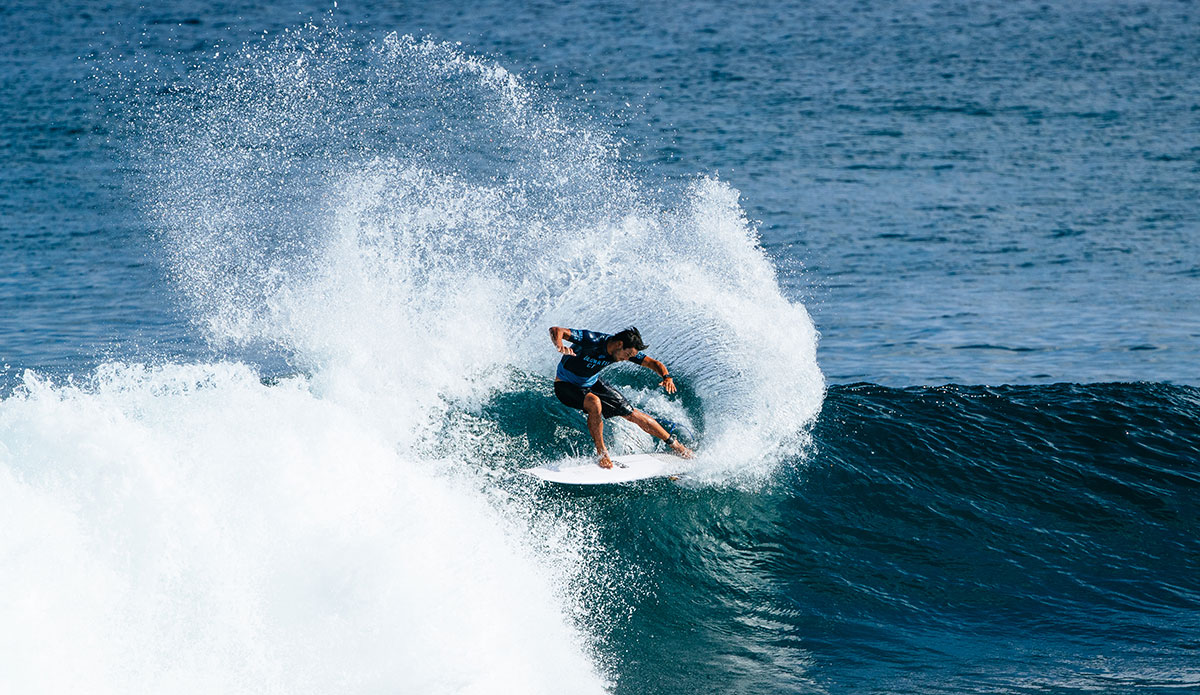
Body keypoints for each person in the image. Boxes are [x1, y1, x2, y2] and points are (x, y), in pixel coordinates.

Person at [549, 325, 694, 468]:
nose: (627, 359)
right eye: (628, 355)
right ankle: (602, 453)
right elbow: (556, 330)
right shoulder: (593, 340)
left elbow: (653, 363)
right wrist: (559, 345)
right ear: (619, 344)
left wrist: (666, 377)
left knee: (632, 413)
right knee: (595, 402)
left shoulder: (623, 351)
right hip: (565, 384)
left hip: (591, 382)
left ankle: (676, 446)